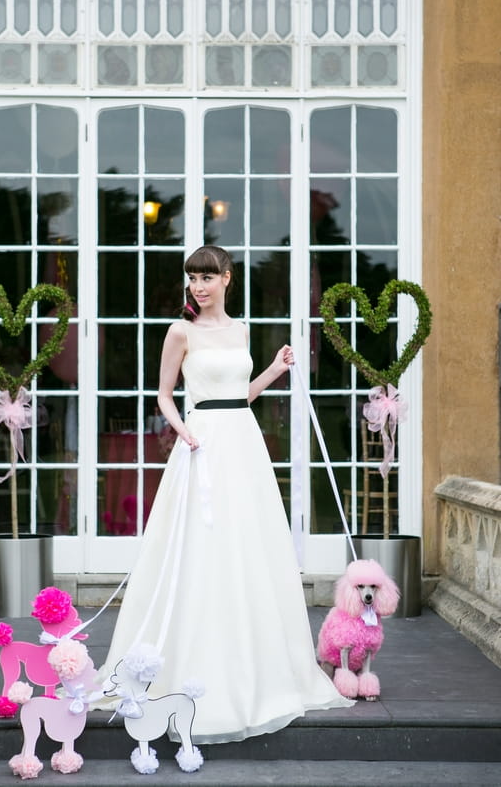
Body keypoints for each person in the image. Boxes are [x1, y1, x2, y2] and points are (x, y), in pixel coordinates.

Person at [94, 245, 353, 743]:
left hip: (244, 444)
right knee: (199, 546)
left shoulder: (241, 330)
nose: (199, 285)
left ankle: (256, 665)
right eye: (193, 277)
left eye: (208, 277)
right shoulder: (180, 331)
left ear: (228, 279)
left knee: (248, 546)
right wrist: (182, 431)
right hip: (202, 444)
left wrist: (275, 370)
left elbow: (242, 394)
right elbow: (164, 396)